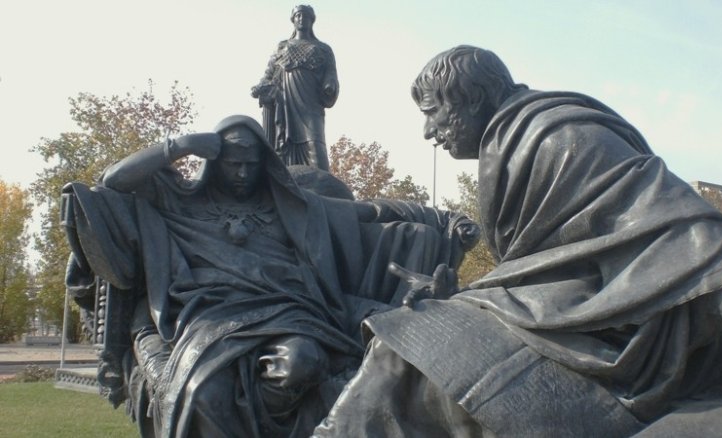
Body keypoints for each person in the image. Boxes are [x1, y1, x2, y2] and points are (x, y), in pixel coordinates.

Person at [314, 46, 722, 437]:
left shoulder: (564, 136)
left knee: (400, 353)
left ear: (472, 98)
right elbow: (548, 271)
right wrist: (459, 295)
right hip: (570, 318)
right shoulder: (513, 146)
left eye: (432, 111)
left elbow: (693, 230)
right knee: (406, 344)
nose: (428, 131)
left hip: (623, 347)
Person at [62, 115, 477, 438]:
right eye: (233, 164)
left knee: (301, 363)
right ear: (213, 163)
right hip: (207, 318)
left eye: (251, 164)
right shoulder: (180, 201)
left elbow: (371, 211)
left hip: (290, 312)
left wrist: (445, 220)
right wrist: (181, 145)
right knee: (204, 393)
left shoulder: (291, 206)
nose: (242, 173)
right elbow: (112, 182)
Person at [251, 5, 338, 171]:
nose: (301, 19)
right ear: (293, 19)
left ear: (312, 20)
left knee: (316, 147)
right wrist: (260, 86)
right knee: (283, 149)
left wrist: (330, 85)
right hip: (285, 106)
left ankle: (323, 185)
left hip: (310, 106)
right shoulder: (282, 47)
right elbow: (269, 74)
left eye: (305, 16)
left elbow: (331, 73)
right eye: (298, 15)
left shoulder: (323, 49)